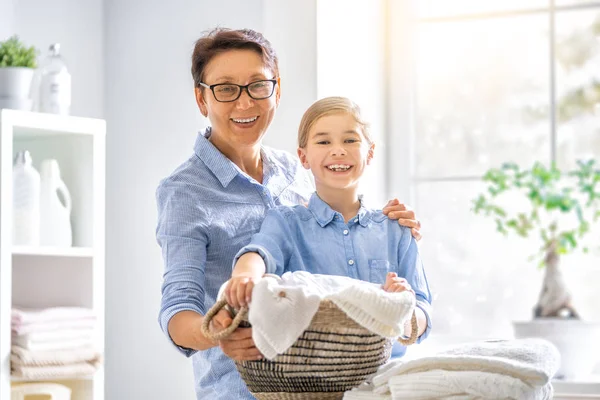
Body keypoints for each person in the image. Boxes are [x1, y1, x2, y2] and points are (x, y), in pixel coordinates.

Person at [155, 28, 424, 400]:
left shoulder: (298, 168)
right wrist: (218, 335)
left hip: (333, 387)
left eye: (257, 86)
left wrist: (390, 221)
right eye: (226, 88)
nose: (245, 103)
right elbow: (176, 309)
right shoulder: (184, 191)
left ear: (276, 91)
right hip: (241, 391)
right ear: (202, 99)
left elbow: (340, 245)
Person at [224, 97, 431, 358]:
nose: (338, 150)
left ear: (370, 152)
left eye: (350, 140)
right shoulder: (287, 223)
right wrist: (244, 276)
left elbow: (423, 312)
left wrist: (401, 309)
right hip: (313, 381)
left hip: (384, 382)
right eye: (323, 141)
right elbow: (259, 252)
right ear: (303, 156)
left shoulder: (397, 230)